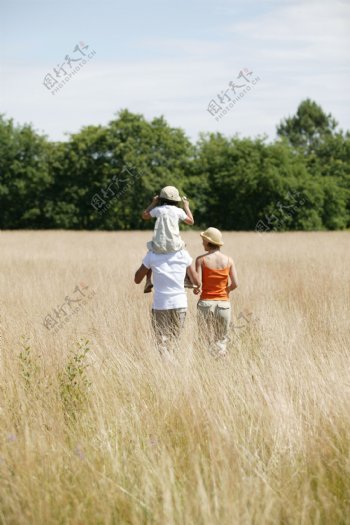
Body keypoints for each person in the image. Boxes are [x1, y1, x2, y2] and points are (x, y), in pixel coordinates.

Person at [134, 249, 200, 354]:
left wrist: (148, 265)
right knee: (175, 341)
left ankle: (166, 367)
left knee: (162, 344)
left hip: (161, 305)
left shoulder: (152, 255)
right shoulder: (183, 254)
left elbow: (137, 279)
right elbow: (197, 282)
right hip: (180, 304)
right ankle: (174, 367)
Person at [194, 227, 238, 358]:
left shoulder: (200, 260)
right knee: (221, 341)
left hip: (205, 304)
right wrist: (226, 290)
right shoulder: (229, 260)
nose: (202, 243)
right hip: (224, 305)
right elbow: (236, 284)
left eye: (203, 241)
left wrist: (196, 288)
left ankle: (207, 368)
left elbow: (197, 284)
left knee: (204, 340)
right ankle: (221, 368)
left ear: (208, 242)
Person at [141, 186, 194, 293]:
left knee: (150, 254)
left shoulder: (158, 210)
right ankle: (187, 278)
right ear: (176, 200)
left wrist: (153, 203)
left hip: (158, 245)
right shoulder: (179, 211)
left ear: (161, 199)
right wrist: (186, 206)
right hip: (175, 245)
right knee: (184, 251)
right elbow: (191, 221)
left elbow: (144, 216)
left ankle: (148, 280)